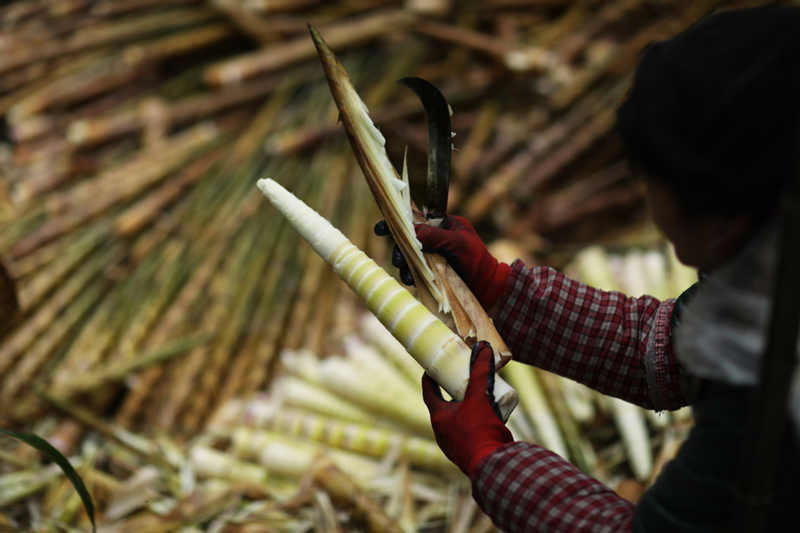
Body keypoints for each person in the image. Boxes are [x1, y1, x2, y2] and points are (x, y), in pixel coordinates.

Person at [377, 5, 800, 531]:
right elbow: (669, 345)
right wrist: (500, 288)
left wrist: (493, 460)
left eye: (650, 183)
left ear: (722, 217)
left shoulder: (766, 422)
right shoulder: (776, 265)